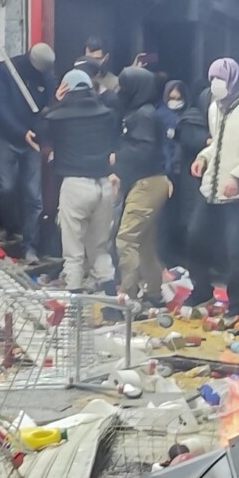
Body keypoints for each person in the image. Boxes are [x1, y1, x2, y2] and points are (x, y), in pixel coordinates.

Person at [192, 57, 239, 326]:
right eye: (212, 78)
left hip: (238, 194)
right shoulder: (214, 108)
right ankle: (202, 290)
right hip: (211, 187)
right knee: (195, 238)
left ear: (233, 80)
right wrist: (203, 157)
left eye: (220, 79)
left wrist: (237, 176)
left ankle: (238, 306)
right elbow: (216, 144)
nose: (215, 84)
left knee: (237, 252)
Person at [43, 67, 121, 291]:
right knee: (99, 249)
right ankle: (112, 307)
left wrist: (55, 101)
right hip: (104, 185)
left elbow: (41, 131)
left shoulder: (60, 116)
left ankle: (74, 312)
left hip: (76, 185)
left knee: (74, 253)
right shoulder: (106, 113)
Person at [106, 65, 173, 308]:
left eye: (124, 86)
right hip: (148, 183)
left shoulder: (143, 115)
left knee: (126, 239)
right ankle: (154, 293)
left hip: (147, 183)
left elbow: (144, 150)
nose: (120, 91)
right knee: (144, 243)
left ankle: (128, 296)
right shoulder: (137, 112)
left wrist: (118, 158)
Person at [0, 42, 55, 262]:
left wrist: (40, 134)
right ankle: (9, 226)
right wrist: (22, 133)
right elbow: (3, 109)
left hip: (33, 142)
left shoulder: (47, 77)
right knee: (7, 187)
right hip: (6, 135)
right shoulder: (6, 70)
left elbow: (48, 109)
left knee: (34, 196)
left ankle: (30, 247)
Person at [161, 74, 210, 278]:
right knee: (168, 220)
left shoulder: (193, 117)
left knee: (189, 221)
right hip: (168, 175)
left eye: (178, 97)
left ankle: (190, 264)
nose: (175, 101)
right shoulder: (161, 117)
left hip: (189, 176)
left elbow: (199, 140)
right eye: (170, 98)